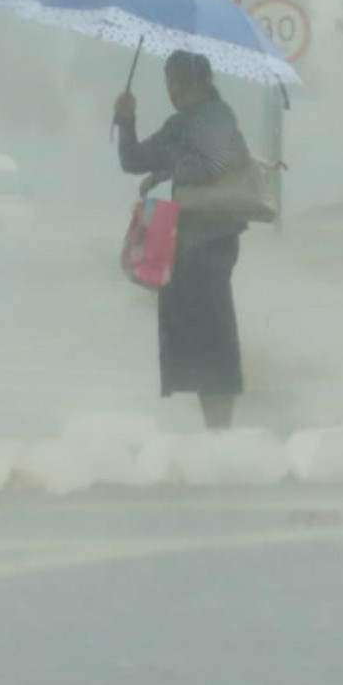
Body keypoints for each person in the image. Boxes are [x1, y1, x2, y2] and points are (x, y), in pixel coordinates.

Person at [114, 50, 249, 429]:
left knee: (213, 339)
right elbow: (132, 160)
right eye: (170, 84)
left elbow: (217, 163)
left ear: (201, 83)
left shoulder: (215, 117)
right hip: (187, 245)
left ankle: (220, 429)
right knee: (199, 341)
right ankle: (215, 429)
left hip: (211, 244)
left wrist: (171, 169)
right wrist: (125, 118)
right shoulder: (183, 124)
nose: (174, 92)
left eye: (181, 83)